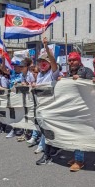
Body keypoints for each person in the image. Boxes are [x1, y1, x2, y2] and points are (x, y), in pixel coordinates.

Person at [35, 37, 62, 165]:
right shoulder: (39, 75)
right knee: (45, 131)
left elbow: (53, 62)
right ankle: (53, 149)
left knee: (48, 132)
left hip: (51, 108)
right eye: (40, 62)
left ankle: (47, 154)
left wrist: (46, 47)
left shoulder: (53, 73)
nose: (42, 64)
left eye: (44, 62)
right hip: (41, 107)